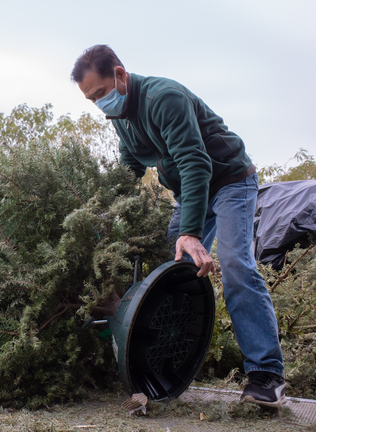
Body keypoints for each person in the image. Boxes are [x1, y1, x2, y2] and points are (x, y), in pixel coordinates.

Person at [71, 44, 286, 407]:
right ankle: (168, 366)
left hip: (230, 181)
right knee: (170, 274)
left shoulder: (163, 97)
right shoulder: (120, 117)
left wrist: (191, 233)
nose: (99, 104)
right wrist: (100, 206)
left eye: (101, 93)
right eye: (91, 99)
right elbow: (130, 165)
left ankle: (267, 375)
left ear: (120, 75)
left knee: (235, 265)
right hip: (189, 191)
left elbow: (196, 163)